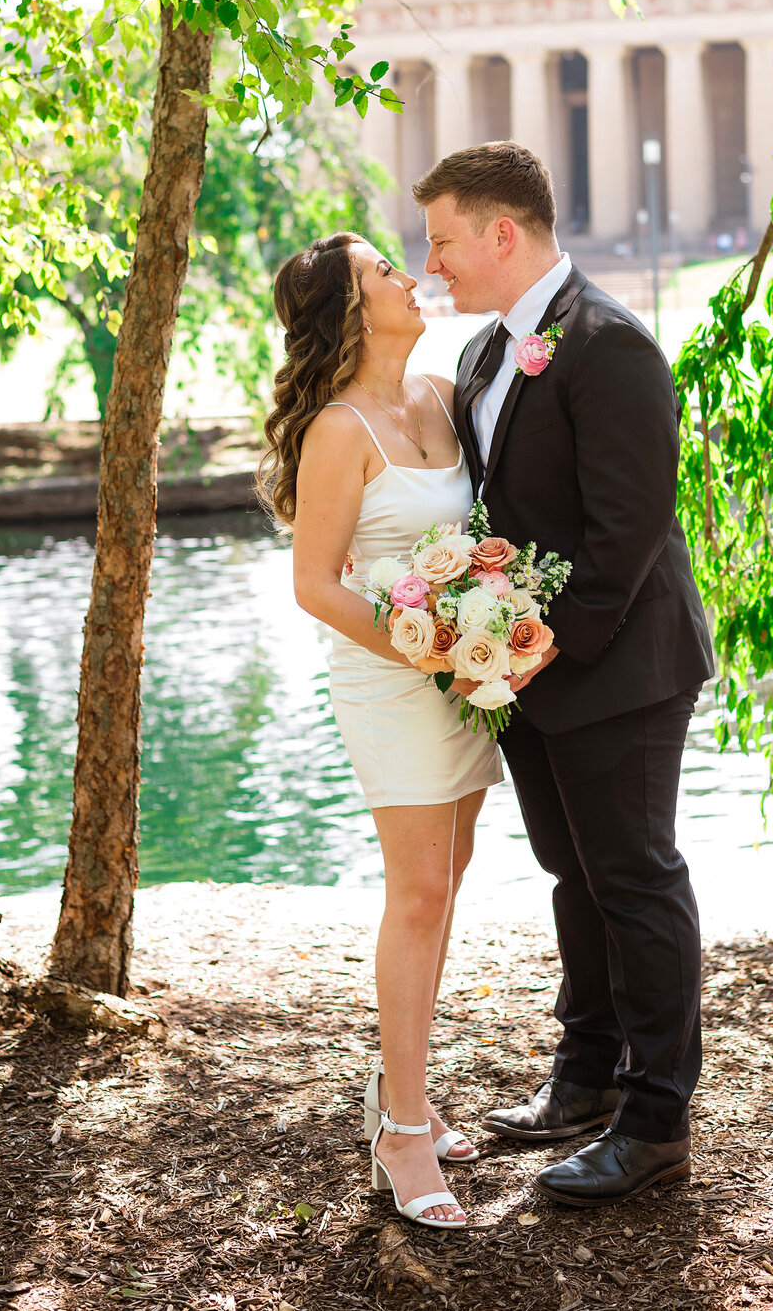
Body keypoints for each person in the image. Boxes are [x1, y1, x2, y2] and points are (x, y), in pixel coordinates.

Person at [412, 142, 714, 1208]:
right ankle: (584, 1075)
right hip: (529, 671)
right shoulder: (490, 354)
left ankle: (655, 1118)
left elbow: (629, 530)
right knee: (570, 872)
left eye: (444, 238)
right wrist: (496, 648)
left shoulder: (609, 344)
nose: (434, 260)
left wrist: (556, 651)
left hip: (618, 665)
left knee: (634, 876)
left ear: (504, 232)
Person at [258, 232, 502, 1231]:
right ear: (353, 311)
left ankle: (408, 1089)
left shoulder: (442, 395)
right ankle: (401, 1131)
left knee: (446, 888)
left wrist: (487, 606)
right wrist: (428, 649)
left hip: (463, 676)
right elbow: (314, 584)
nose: (410, 277)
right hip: (392, 680)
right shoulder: (337, 428)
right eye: (384, 271)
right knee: (417, 895)